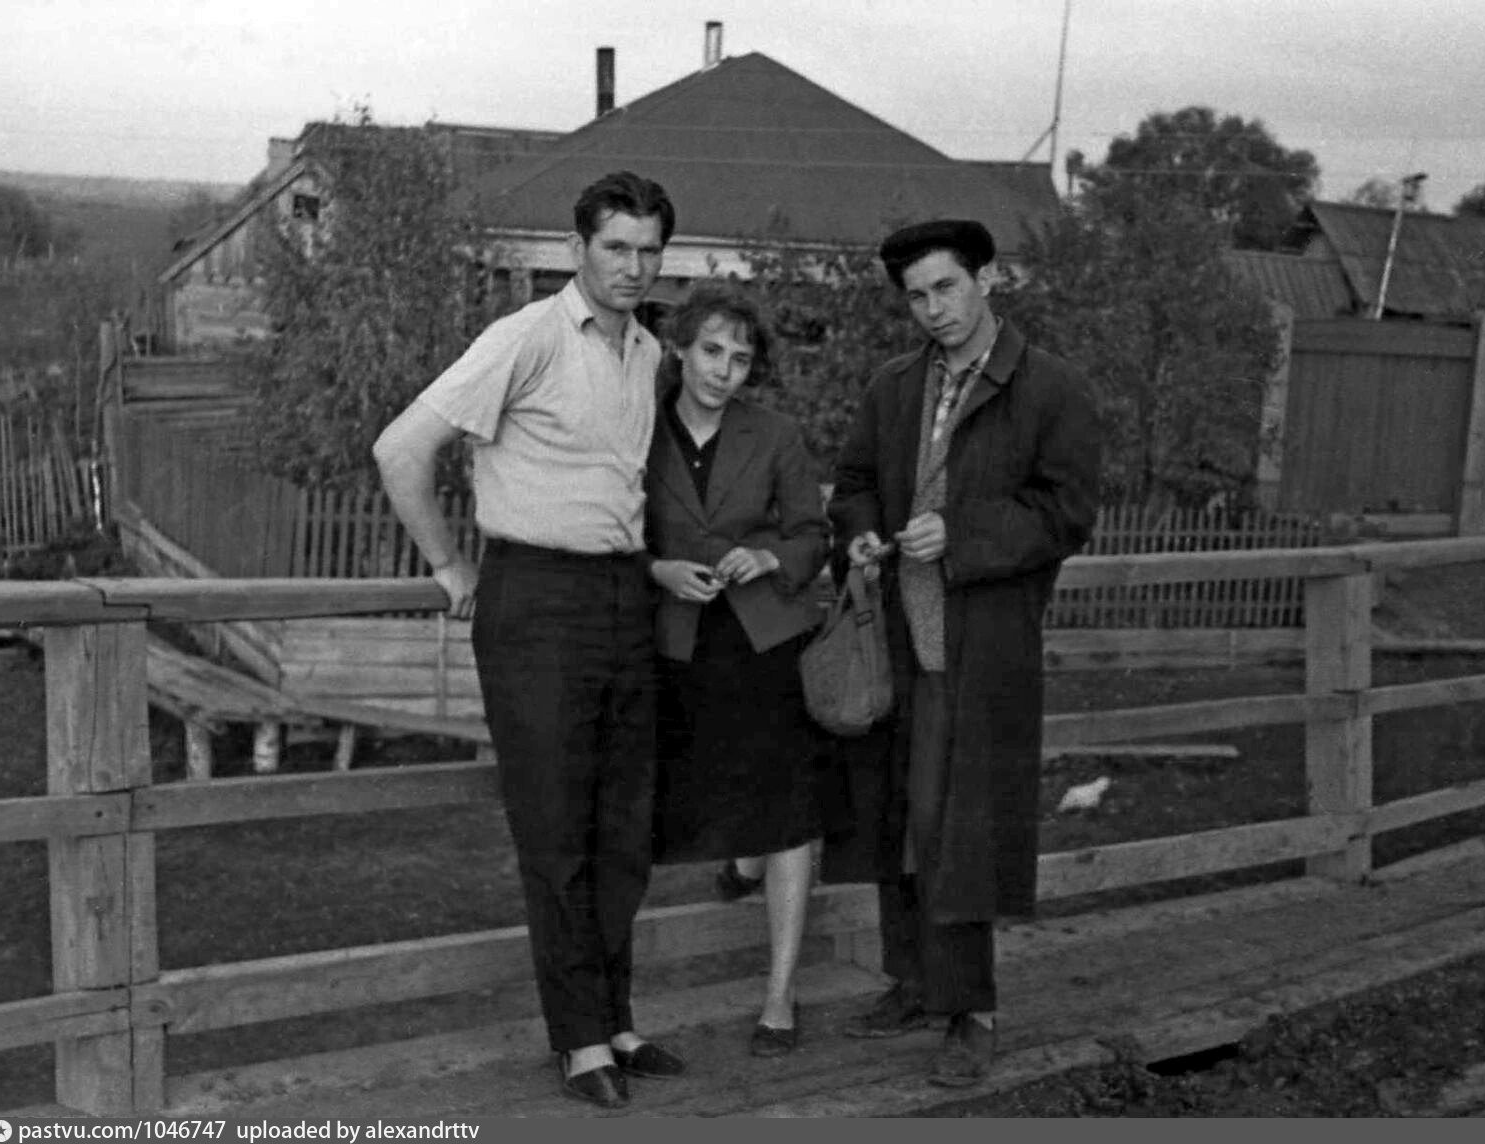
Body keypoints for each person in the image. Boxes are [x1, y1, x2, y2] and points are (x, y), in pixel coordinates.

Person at [372, 170, 685, 1110]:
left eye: (648, 250)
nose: (632, 266)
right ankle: (579, 1039)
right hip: (537, 602)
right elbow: (400, 449)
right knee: (555, 831)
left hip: (624, 596)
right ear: (577, 248)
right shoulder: (526, 338)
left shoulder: (648, 352)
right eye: (615, 247)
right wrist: (447, 564)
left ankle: (615, 1021)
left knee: (624, 827)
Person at [824, 218, 1101, 1088]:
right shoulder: (893, 385)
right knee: (898, 819)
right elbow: (854, 483)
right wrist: (858, 535)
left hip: (979, 651)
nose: (932, 309)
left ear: (987, 279)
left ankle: (970, 1012)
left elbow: (1067, 513)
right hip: (894, 646)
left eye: (946, 287)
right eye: (916, 296)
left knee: (960, 830)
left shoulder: (1050, 387)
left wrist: (961, 533)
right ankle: (913, 983)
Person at [643, 282, 834, 1058]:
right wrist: (656, 570)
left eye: (741, 359)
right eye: (711, 351)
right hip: (674, 647)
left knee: (787, 812)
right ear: (680, 349)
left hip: (765, 645)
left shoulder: (775, 434)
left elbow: (812, 535)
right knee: (659, 808)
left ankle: (779, 998)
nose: (723, 371)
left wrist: (769, 557)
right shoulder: (635, 427)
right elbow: (610, 531)